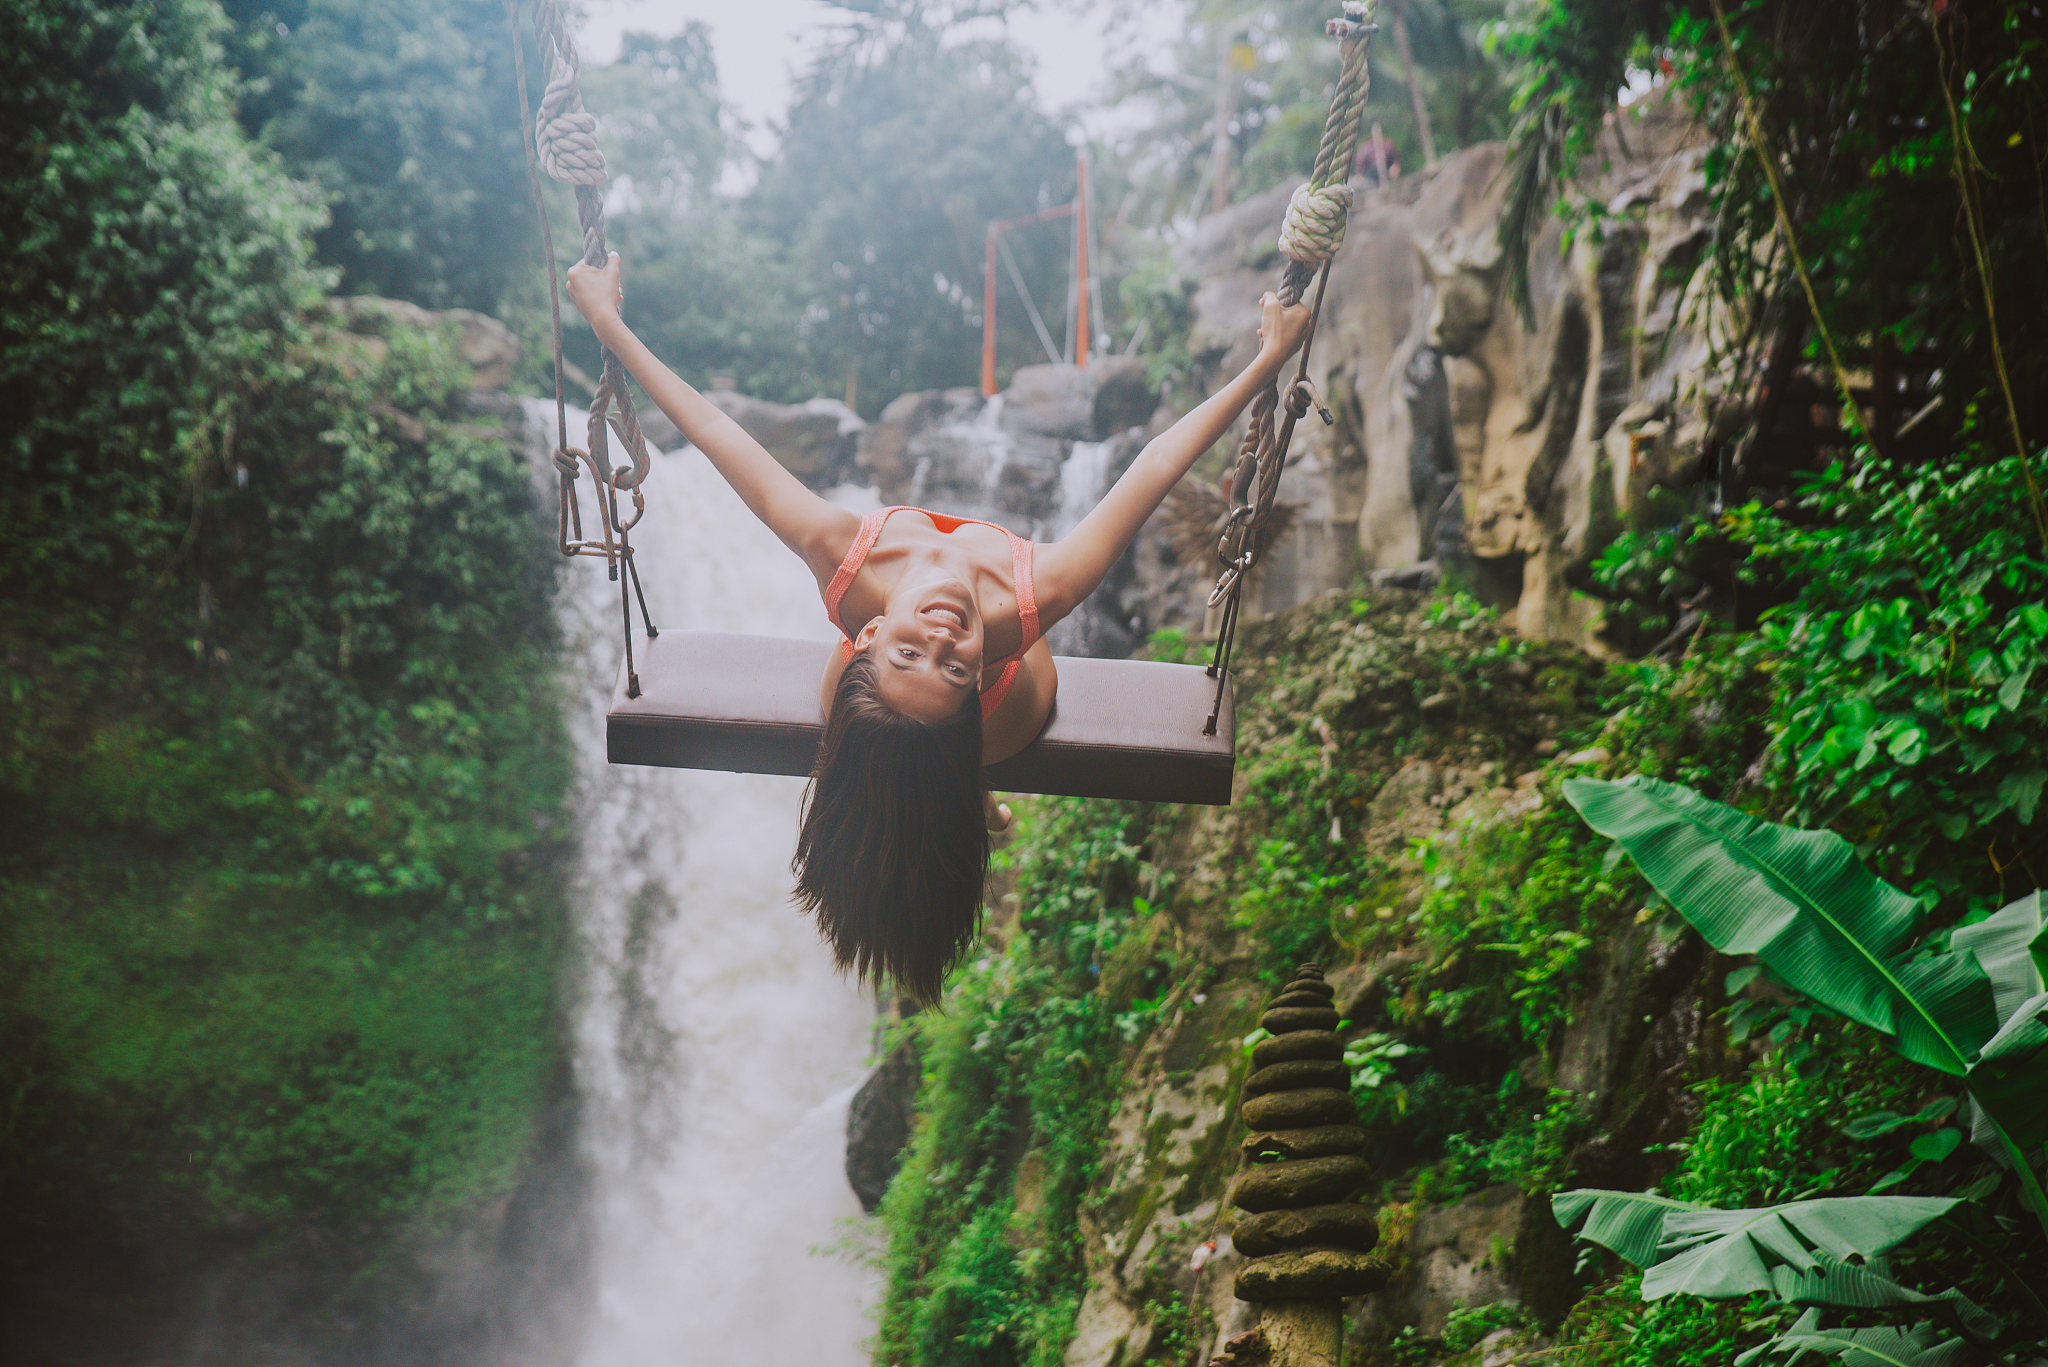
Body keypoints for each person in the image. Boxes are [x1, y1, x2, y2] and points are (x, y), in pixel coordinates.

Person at [564, 252, 1311, 1001]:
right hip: (1006, 716)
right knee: (914, 728)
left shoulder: (839, 556)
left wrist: (607, 320)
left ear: (866, 637)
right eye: (953, 664)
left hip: (900, 695)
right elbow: (1153, 467)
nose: (944, 634)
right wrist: (1266, 360)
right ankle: (966, 780)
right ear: (979, 674)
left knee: (855, 724)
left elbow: (714, 428)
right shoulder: (1035, 597)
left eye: (909, 649)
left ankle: (945, 771)